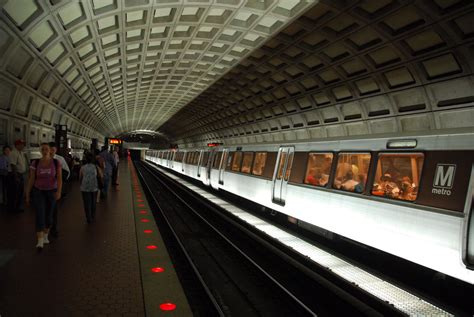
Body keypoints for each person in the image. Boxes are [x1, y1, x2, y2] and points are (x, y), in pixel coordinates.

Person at [25, 143, 62, 250]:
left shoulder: (56, 162)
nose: (45, 151)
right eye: (43, 149)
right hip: (38, 191)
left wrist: (59, 191)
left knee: (49, 215)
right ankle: (40, 240)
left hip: (52, 192)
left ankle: (46, 235)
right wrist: (27, 193)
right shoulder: (35, 163)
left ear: (50, 150)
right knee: (40, 213)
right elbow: (31, 179)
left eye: (47, 149)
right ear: (40, 151)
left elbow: (59, 178)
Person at [49, 142, 70, 238]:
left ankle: (53, 229)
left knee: (54, 210)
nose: (51, 152)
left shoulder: (60, 159)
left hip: (55, 188)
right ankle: (45, 229)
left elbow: (67, 172)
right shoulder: (42, 160)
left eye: (53, 150)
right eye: (50, 150)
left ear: (56, 150)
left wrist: (60, 185)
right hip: (43, 189)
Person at [79, 152, 102, 223]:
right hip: (94, 187)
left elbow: (80, 177)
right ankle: (92, 215)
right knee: (93, 202)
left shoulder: (83, 167)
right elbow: (101, 176)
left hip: (84, 188)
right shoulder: (96, 167)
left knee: (86, 203)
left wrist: (81, 184)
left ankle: (88, 218)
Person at [9, 139, 28, 212]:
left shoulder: (21, 153)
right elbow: (13, 165)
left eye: (23, 144)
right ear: (16, 145)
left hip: (21, 175)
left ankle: (18, 207)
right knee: (14, 192)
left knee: (20, 192)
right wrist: (16, 177)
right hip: (15, 175)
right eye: (21, 144)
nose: (23, 146)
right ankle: (13, 208)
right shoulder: (14, 153)